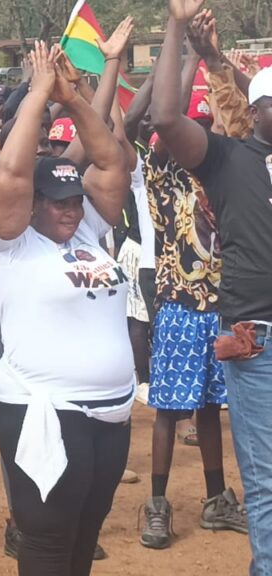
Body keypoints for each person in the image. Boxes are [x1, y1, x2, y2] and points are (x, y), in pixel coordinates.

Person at [0, 42, 132, 576]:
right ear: (32, 206)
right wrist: (37, 95)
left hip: (111, 413)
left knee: (87, 531)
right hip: (44, 410)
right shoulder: (10, 245)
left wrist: (72, 99)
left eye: (74, 201)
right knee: (48, 539)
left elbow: (111, 159)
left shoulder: (88, 228)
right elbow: (10, 173)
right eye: (56, 202)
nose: (70, 211)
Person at [151, 1, 272, 571]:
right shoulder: (228, 158)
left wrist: (223, 63)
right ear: (257, 110)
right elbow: (165, 118)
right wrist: (178, 29)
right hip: (257, 341)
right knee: (265, 480)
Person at [140, 37, 247, 545]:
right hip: (180, 307)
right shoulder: (164, 174)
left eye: (204, 129)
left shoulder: (222, 177)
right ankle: (157, 504)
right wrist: (187, 56)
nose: (197, 137)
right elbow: (167, 118)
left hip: (222, 308)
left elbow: (237, 127)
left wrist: (215, 62)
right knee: (169, 408)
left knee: (209, 409)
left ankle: (215, 500)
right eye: (193, 128)